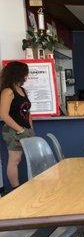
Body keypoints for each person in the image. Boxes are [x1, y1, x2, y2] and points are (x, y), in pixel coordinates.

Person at [0, 61, 35, 189]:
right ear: (17, 74)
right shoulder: (8, 91)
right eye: (25, 74)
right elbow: (4, 115)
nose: (26, 77)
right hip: (13, 131)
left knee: (23, 159)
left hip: (26, 130)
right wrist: (20, 130)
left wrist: (30, 128)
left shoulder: (23, 90)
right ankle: (16, 189)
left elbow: (27, 111)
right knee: (15, 160)